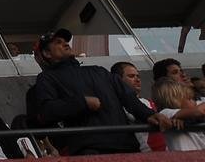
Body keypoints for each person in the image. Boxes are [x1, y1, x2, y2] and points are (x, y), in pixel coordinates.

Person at [30, 28, 173, 155]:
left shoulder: (99, 71)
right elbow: (47, 111)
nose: (66, 44)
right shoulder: (47, 78)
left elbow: (128, 97)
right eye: (58, 43)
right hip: (90, 151)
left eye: (66, 41)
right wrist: (82, 102)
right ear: (47, 53)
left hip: (127, 147)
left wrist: (150, 115)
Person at [110, 61, 165, 152]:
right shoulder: (117, 106)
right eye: (131, 76)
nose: (137, 80)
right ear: (118, 81)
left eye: (138, 76)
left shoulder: (149, 102)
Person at [151, 77, 205, 152]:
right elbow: (199, 111)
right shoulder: (165, 113)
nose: (194, 102)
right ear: (175, 100)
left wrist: (185, 118)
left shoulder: (184, 116)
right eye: (190, 99)